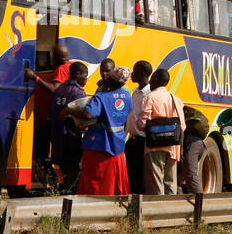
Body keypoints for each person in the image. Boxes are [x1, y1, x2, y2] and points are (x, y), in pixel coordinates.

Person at [70, 59, 132, 195]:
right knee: (114, 183)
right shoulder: (128, 96)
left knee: (95, 182)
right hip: (118, 145)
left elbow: (88, 114)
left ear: (110, 80)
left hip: (99, 145)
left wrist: (69, 110)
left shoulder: (102, 97)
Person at [138, 67, 186, 194]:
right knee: (170, 182)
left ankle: (157, 211)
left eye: (152, 79)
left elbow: (142, 124)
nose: (150, 82)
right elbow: (182, 126)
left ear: (156, 79)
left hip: (154, 145)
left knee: (156, 181)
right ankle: (170, 210)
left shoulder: (150, 98)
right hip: (173, 146)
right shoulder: (176, 99)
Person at [27, 41, 73, 166]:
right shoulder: (72, 66)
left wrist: (34, 77)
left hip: (59, 116)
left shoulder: (61, 70)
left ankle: (47, 173)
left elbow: (54, 89)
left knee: (39, 140)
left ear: (55, 58)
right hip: (66, 116)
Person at [49, 61, 89, 193]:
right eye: (85, 75)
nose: (86, 79)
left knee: (63, 165)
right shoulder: (78, 92)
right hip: (71, 135)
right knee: (75, 166)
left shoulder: (59, 89)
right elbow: (81, 117)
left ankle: (64, 188)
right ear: (77, 74)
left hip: (57, 134)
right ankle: (68, 192)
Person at [124, 60, 152, 193]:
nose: (131, 74)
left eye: (134, 71)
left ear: (142, 73)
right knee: (131, 176)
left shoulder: (150, 93)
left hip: (143, 142)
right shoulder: (135, 91)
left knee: (141, 177)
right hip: (132, 140)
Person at [180, 104, 210, 194]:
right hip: (198, 145)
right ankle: (179, 204)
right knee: (179, 177)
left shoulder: (178, 114)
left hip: (192, 145)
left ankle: (200, 203)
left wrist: (180, 151)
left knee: (191, 174)